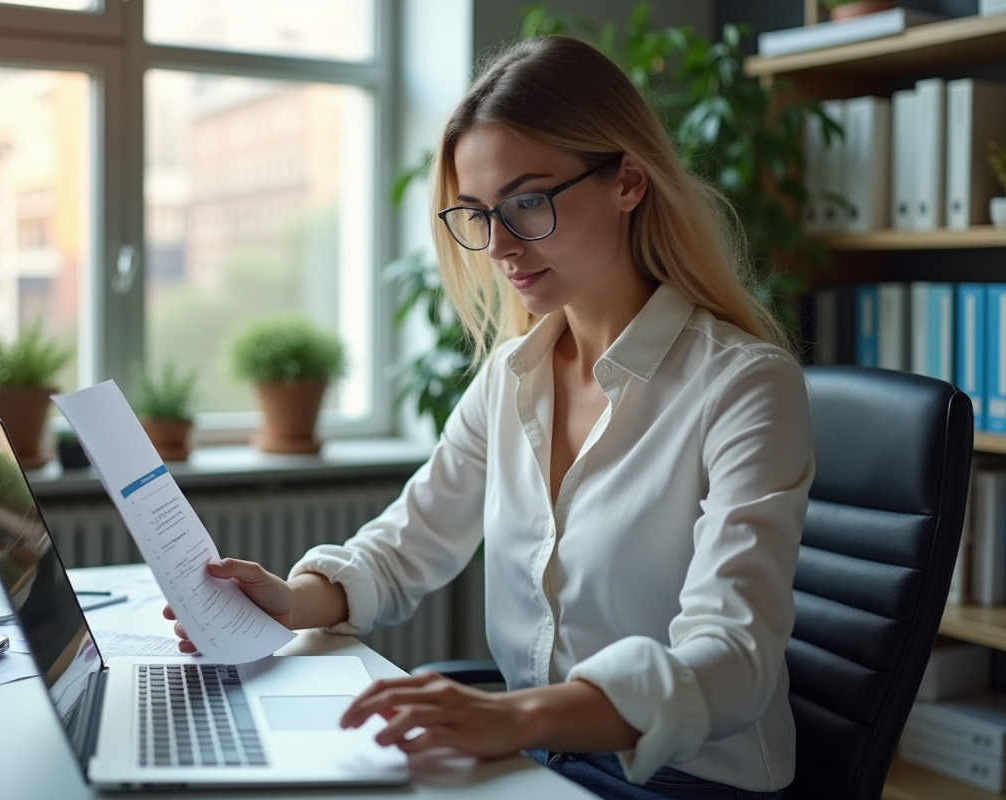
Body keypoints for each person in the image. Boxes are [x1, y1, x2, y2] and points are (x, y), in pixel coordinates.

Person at [164, 35, 812, 800]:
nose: (499, 245)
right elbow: (405, 547)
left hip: (689, 779)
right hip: (547, 761)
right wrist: (294, 599)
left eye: (528, 202)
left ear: (628, 181)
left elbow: (733, 659)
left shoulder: (744, 386)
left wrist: (520, 718)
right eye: (477, 213)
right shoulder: (514, 376)